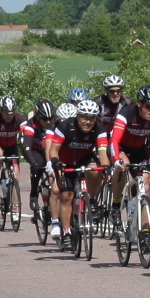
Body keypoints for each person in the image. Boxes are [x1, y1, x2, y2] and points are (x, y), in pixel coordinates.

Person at [44, 100, 107, 245]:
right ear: (77, 116)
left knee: (96, 171)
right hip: (65, 161)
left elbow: (102, 152)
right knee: (66, 196)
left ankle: (92, 201)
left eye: (92, 118)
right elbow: (53, 150)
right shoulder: (65, 126)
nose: (88, 122)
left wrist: (106, 166)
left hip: (85, 158)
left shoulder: (99, 128)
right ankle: (66, 231)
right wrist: (56, 162)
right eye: (84, 117)